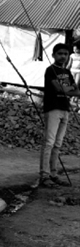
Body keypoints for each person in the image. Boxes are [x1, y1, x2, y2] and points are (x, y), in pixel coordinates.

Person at [39, 43, 79, 187]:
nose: (63, 56)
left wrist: (65, 90)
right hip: (53, 108)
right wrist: (68, 90)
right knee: (49, 143)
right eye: (60, 53)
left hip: (65, 108)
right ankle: (44, 175)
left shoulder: (68, 73)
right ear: (53, 55)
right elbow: (58, 88)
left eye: (65, 54)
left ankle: (54, 174)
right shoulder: (50, 70)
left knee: (57, 144)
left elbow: (76, 91)